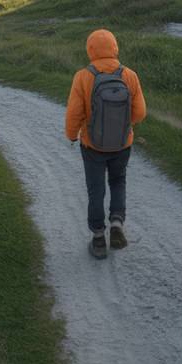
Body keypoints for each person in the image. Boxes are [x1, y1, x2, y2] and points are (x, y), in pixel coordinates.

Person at [65, 28, 146, 259]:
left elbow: (74, 113)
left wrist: (72, 135)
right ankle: (117, 223)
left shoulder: (83, 76)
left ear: (90, 50)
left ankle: (99, 238)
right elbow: (140, 113)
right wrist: (122, 124)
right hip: (122, 144)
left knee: (96, 190)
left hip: (93, 146)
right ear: (115, 48)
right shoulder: (129, 75)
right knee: (118, 181)